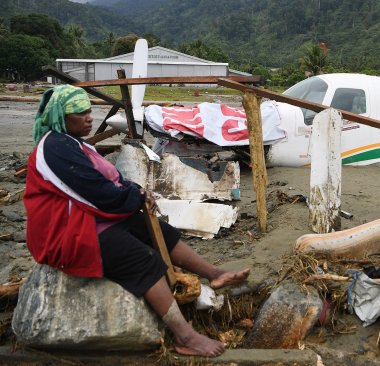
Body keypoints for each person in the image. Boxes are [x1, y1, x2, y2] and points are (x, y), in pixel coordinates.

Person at [24, 85, 250, 357]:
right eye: (80, 114)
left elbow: (114, 181)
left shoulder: (74, 144)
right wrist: (134, 195)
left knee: (159, 230)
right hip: (66, 233)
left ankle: (215, 274)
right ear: (61, 117)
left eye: (88, 111)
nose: (89, 118)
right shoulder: (54, 148)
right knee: (144, 259)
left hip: (88, 219)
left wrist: (139, 193)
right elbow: (98, 193)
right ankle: (185, 337)